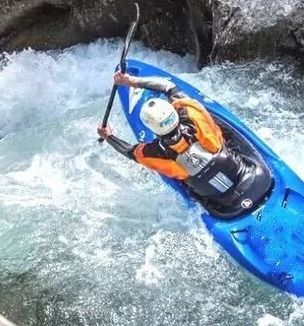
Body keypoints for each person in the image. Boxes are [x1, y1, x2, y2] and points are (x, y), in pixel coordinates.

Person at [97, 72, 272, 217]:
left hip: (224, 206)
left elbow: (130, 152)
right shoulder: (192, 113)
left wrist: (109, 136)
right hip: (253, 178)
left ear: (152, 128)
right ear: (174, 112)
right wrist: (132, 81)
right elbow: (168, 86)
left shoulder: (153, 152)